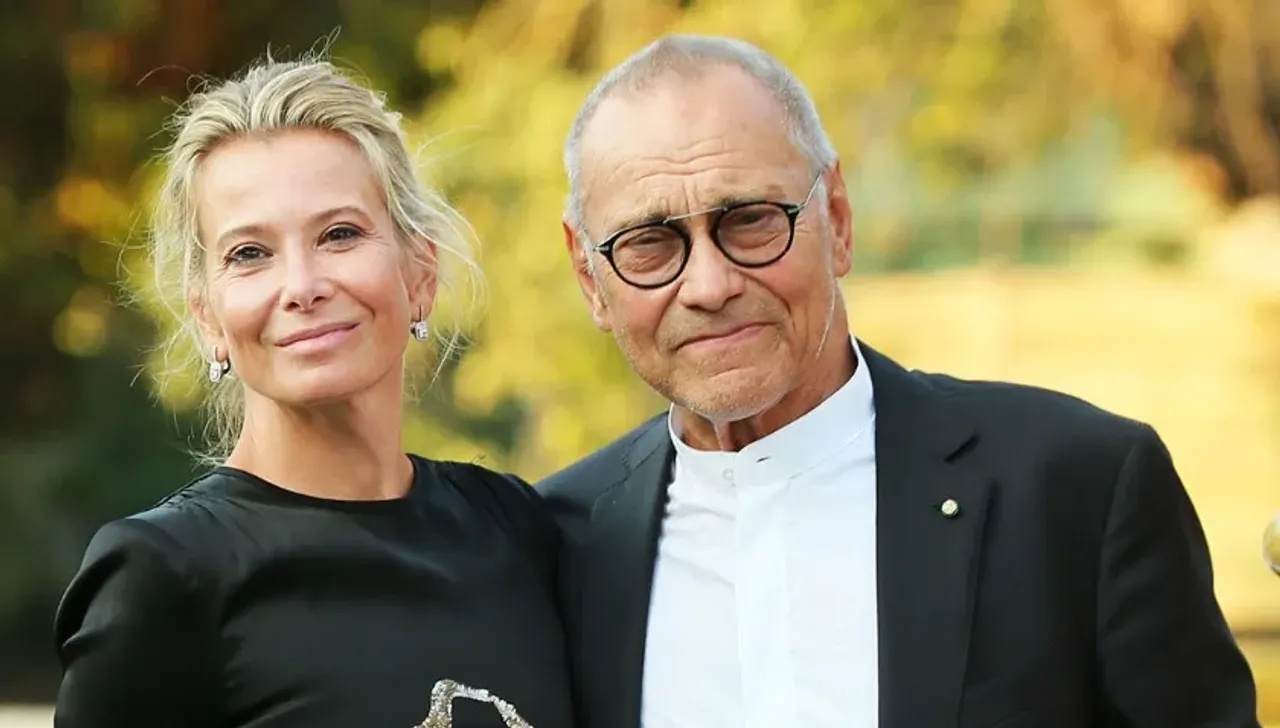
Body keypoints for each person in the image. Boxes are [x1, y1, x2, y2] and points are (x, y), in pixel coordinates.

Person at [537, 34, 1261, 728]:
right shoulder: (553, 546)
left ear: (838, 218)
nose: (709, 284)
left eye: (752, 220)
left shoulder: (1076, 488)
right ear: (589, 279)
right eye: (649, 243)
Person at [54, 54, 573, 728]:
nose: (302, 285)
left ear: (420, 274)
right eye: (249, 253)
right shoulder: (164, 577)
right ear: (208, 317)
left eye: (339, 234)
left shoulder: (517, 529)